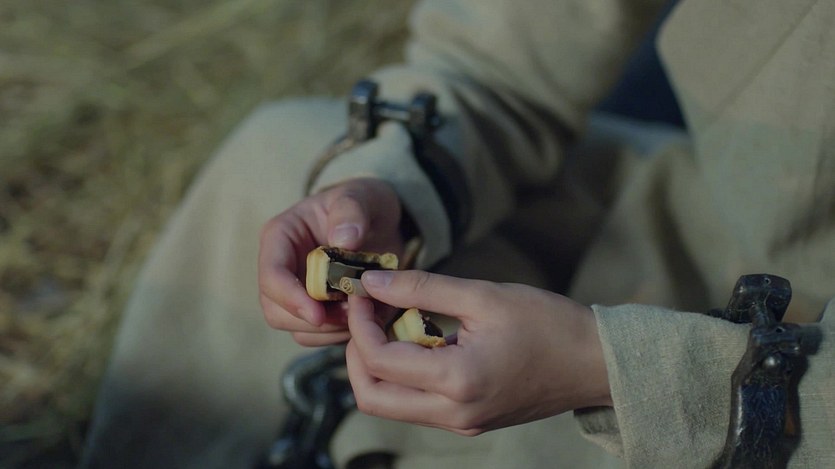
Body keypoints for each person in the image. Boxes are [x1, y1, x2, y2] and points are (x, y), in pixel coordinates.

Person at [80, 0, 835, 467]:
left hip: (799, 389)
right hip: (714, 206)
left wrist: (612, 374)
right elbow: (495, 65)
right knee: (276, 158)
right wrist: (393, 185)